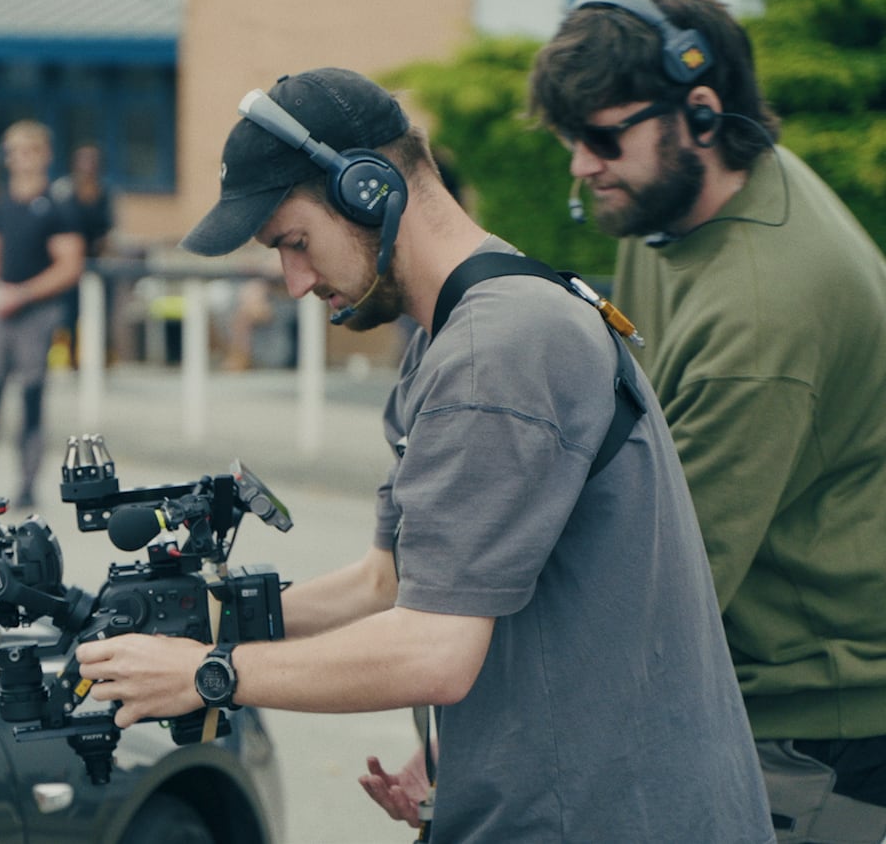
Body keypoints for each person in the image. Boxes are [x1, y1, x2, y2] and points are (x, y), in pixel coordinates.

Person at [73, 67, 773, 842]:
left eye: (295, 243)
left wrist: (209, 675)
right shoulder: (468, 329)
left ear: (367, 189)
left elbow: (434, 649)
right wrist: (205, 615)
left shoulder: (493, 354)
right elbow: (390, 581)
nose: (294, 280)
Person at [529, 0, 886, 841]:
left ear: (699, 111)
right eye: (574, 139)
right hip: (751, 676)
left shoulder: (762, 319)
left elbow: (649, 593)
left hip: (814, 724)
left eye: (605, 139)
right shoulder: (685, 206)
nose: (582, 165)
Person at [0, 120, 85, 508]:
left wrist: (21, 294)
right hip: (0, 312)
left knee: (31, 395)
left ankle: (27, 483)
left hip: (35, 312)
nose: (20, 159)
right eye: (13, 151)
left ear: (44, 155)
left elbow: (69, 265)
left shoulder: (58, 207)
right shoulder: (3, 203)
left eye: (28, 150)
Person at [50, 143, 117, 364]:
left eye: (91, 162)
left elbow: (110, 229)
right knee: (69, 311)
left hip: (97, 261)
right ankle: (68, 356)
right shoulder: (64, 191)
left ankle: (100, 356)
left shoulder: (105, 193)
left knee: (99, 312)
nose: (87, 167)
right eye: (83, 162)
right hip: (70, 263)